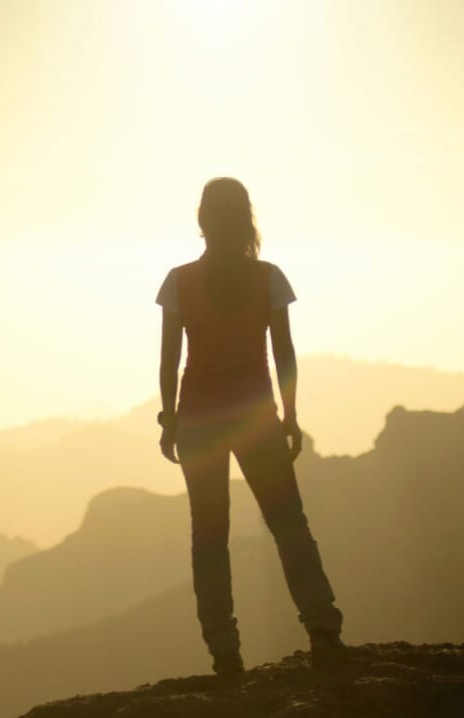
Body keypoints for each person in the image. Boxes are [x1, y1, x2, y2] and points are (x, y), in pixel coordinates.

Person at [155, 177, 347, 675]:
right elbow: (283, 351)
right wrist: (290, 415)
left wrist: (170, 422)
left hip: (198, 420)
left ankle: (225, 653)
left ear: (202, 220)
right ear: (247, 218)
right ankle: (323, 629)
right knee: (289, 525)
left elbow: (169, 361)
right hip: (258, 419)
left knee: (209, 537)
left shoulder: (178, 282)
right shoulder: (268, 278)